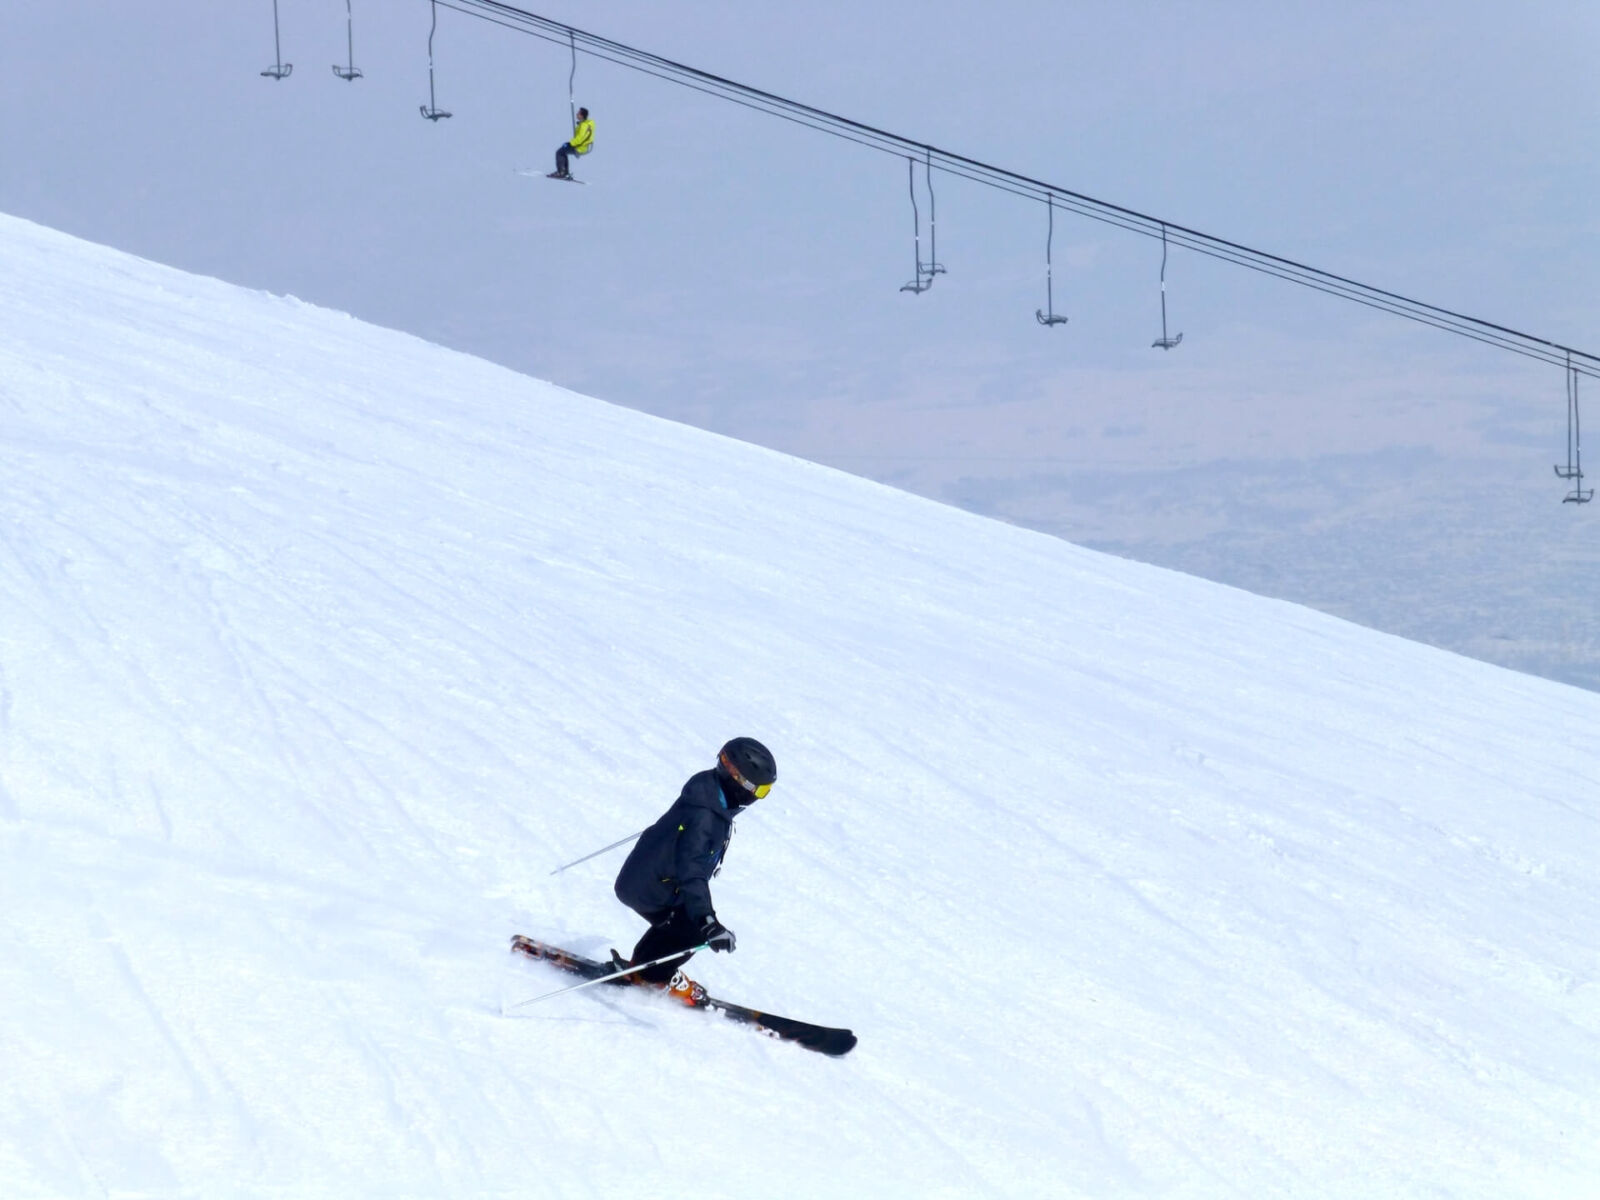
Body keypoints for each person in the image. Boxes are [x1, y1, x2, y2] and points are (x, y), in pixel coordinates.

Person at [612, 738, 776, 1003]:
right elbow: (693, 872)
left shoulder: (709, 791)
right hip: (651, 888)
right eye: (760, 791)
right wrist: (708, 923)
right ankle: (652, 976)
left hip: (648, 876)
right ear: (738, 780)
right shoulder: (706, 818)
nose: (759, 798)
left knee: (683, 922)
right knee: (694, 930)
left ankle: (643, 967)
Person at [553, 107, 594, 179]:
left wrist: (570, 144)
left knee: (560, 152)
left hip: (580, 147)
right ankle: (564, 172)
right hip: (583, 146)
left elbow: (580, 139)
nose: (576, 114)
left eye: (578, 113)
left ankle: (561, 172)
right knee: (563, 151)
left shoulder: (584, 126)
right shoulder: (586, 124)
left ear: (581, 116)